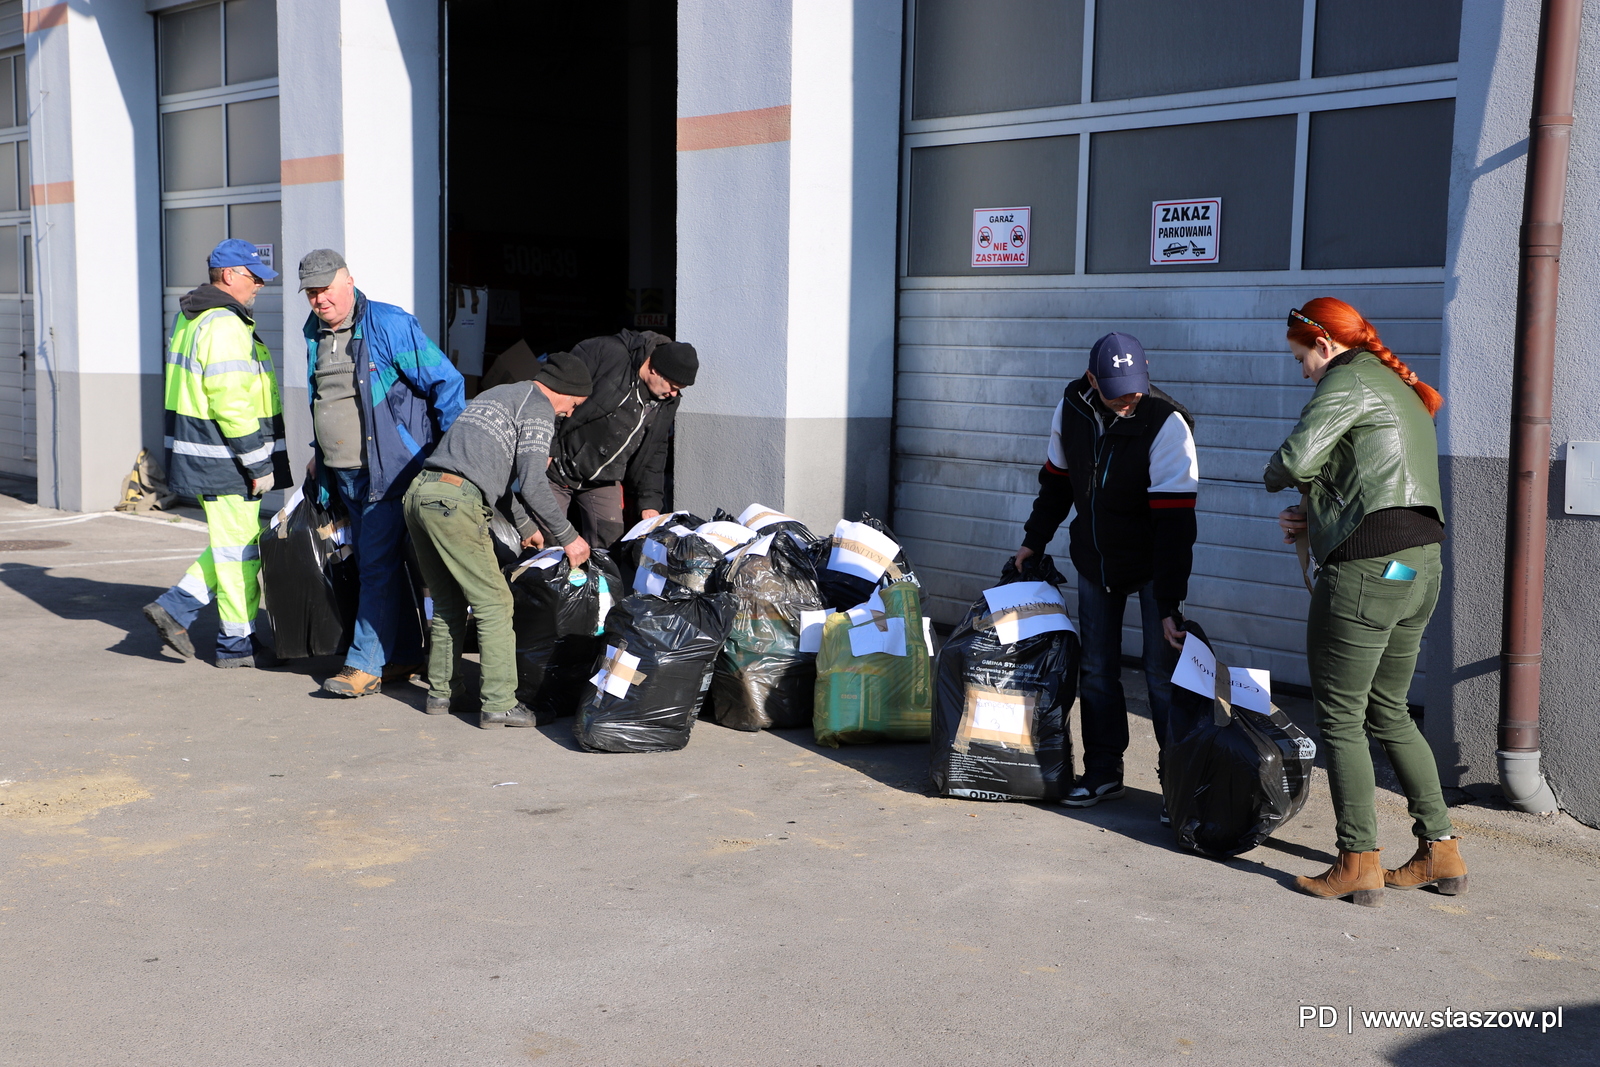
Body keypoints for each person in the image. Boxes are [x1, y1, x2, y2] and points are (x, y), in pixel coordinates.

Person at [1267, 298, 1463, 906]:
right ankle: (1441, 851)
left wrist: (1278, 477)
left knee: (1342, 715)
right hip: (1416, 566)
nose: (1303, 371)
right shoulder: (1398, 386)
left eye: (1302, 358)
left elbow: (1297, 459)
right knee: (1390, 710)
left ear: (1323, 345)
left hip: (1369, 571)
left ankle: (1358, 861)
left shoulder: (1346, 379)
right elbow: (1366, 476)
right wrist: (1317, 513)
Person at [1014, 332, 1199, 811]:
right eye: (1116, 390)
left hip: (1154, 561)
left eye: (1136, 387)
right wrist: (1034, 539)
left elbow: (1176, 521)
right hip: (1095, 559)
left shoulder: (1166, 424)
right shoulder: (1071, 408)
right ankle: (1103, 771)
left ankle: (1177, 784)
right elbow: (1055, 486)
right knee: (1096, 669)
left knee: (1162, 675)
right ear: (1092, 379)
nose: (1128, 399)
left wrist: (1169, 603)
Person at [299, 249, 466, 698]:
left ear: (348, 281)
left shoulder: (389, 324)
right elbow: (327, 400)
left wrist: (452, 460)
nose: (319, 300)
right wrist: (320, 452)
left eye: (326, 290)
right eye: (311, 293)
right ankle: (403, 655)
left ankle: (364, 665)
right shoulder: (313, 332)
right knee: (380, 568)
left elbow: (447, 384)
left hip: (389, 473)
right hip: (342, 476)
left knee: (375, 568)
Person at [404, 354, 594, 728]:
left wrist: (526, 527)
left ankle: (443, 692)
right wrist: (570, 538)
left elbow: (496, 478)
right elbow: (535, 485)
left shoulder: (500, 395)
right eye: (573, 405)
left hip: (419, 495)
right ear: (566, 392)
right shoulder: (539, 410)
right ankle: (500, 703)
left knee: (448, 601)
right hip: (455, 503)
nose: (569, 415)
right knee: (494, 601)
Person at [143, 240, 292, 667]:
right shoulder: (224, 324)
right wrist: (258, 462)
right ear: (229, 276)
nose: (260, 285)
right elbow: (231, 401)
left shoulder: (191, 318)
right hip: (226, 457)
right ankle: (234, 644)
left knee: (235, 546)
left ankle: (179, 609)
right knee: (238, 553)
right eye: (253, 276)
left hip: (206, 453)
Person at [543, 329, 697, 548]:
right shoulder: (606, 353)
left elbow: (656, 449)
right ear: (654, 369)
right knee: (549, 541)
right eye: (673, 387)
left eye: (679, 390)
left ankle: (596, 582)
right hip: (557, 466)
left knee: (611, 542)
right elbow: (554, 396)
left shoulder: (667, 401)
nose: (674, 394)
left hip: (603, 477)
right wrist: (548, 448)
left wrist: (649, 502)